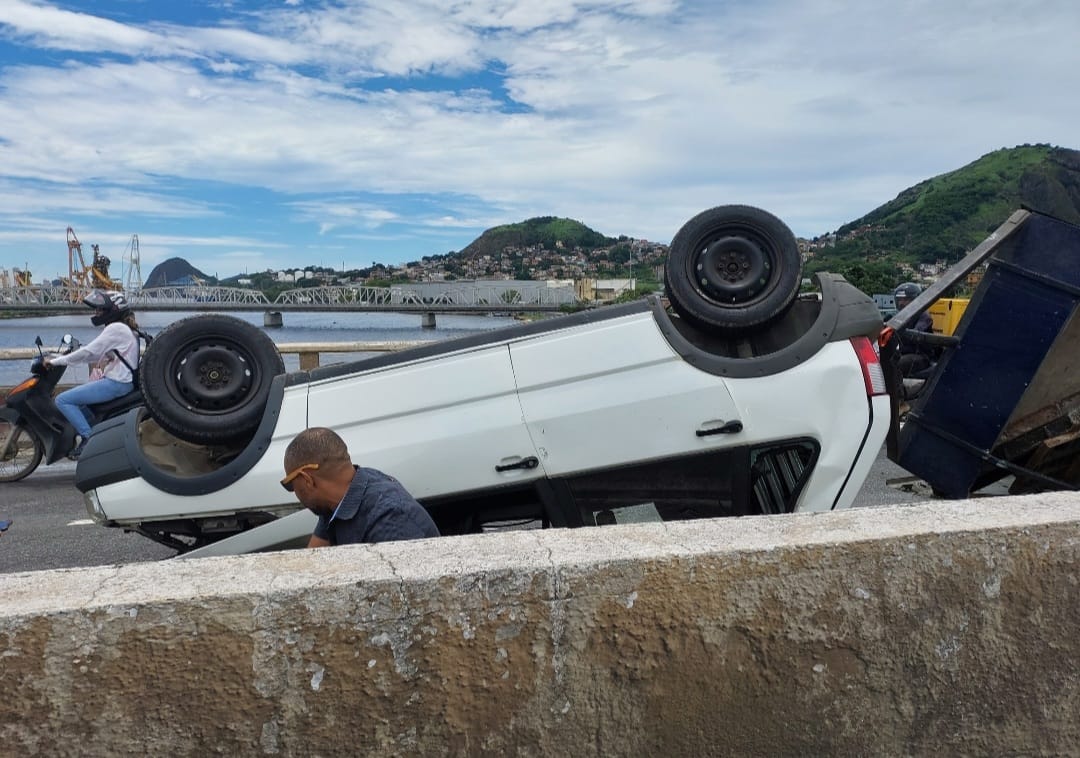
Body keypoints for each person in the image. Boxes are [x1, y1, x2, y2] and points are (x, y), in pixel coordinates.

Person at [281, 427, 439, 548]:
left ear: (307, 480)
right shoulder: (333, 502)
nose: (294, 492)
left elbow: (396, 588)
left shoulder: (390, 518)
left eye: (291, 486)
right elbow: (313, 560)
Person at [42, 290, 141, 460]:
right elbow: (95, 354)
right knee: (80, 405)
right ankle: (94, 434)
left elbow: (88, 351)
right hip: (121, 382)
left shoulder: (116, 328)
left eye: (100, 310)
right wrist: (61, 357)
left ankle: (89, 437)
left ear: (112, 311)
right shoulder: (124, 328)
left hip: (116, 384)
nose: (96, 313)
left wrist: (56, 362)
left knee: (62, 400)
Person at [893, 281, 935, 378]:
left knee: (894, 366)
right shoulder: (898, 317)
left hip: (920, 355)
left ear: (915, 300)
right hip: (902, 352)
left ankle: (897, 392)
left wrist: (900, 332)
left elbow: (916, 333)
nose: (901, 303)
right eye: (899, 299)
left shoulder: (924, 316)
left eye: (906, 299)